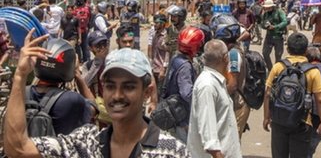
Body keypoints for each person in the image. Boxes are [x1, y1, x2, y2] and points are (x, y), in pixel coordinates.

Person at [5, 34, 190, 157]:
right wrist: (20, 76)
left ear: (147, 92)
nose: (117, 95)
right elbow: (18, 148)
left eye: (129, 87)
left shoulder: (172, 152)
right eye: (110, 86)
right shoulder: (86, 143)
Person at [7, 35, 94, 139]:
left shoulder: (20, 94)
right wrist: (77, 73)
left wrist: (20, 74)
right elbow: (94, 108)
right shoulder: (72, 100)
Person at [263, 32, 321, 158]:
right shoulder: (312, 71)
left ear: (287, 49)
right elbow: (320, 99)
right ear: (306, 50)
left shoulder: (278, 66)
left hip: (278, 120)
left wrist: (266, 117)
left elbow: (267, 94)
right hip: (302, 122)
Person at [187, 39, 242, 158]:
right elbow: (208, 130)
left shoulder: (216, 81)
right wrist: (217, 153)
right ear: (225, 58)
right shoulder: (207, 85)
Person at [162, 26, 204, 143]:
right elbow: (187, 94)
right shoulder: (185, 66)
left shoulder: (176, 58)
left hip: (173, 114)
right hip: (180, 119)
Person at [213, 16, 250, 139]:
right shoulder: (232, 49)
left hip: (237, 105)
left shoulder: (233, 54)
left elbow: (233, 84)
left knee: (231, 142)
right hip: (232, 104)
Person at [82, 30, 111, 127]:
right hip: (100, 108)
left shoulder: (114, 60)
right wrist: (97, 62)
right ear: (90, 48)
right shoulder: (88, 65)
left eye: (104, 44)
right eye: (98, 46)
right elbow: (84, 83)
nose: (102, 48)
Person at [261, 0, 288, 71]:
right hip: (269, 36)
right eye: (266, 7)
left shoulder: (279, 12)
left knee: (278, 55)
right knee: (265, 53)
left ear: (273, 6)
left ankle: (277, 71)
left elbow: (285, 22)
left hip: (278, 36)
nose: (268, 9)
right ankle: (271, 69)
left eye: (269, 7)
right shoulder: (265, 14)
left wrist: (275, 27)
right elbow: (262, 23)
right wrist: (265, 26)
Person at [148, 13, 169, 95]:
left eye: (156, 23)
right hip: (154, 69)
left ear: (162, 23)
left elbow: (167, 53)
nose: (154, 25)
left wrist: (163, 69)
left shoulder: (166, 36)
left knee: (161, 94)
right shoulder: (155, 34)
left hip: (161, 71)